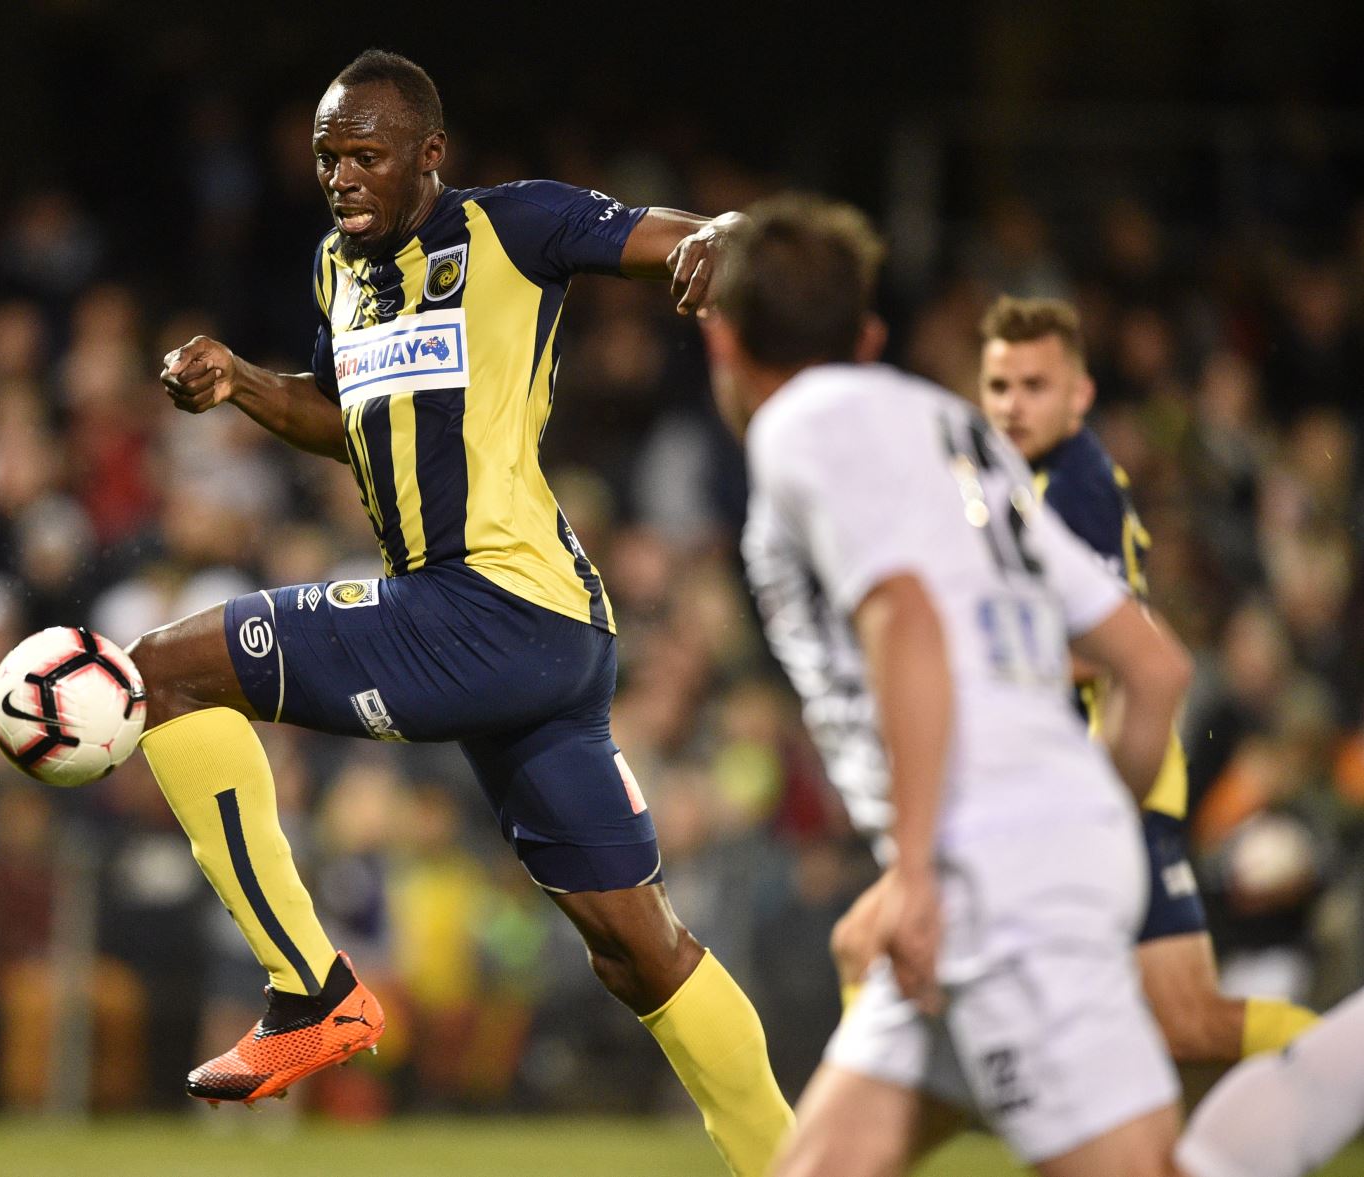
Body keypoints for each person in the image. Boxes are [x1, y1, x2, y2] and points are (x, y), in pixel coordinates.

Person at [121, 49, 793, 1173]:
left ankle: (309, 990)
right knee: (634, 945)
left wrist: (724, 231)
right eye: (329, 156)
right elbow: (347, 418)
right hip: (542, 632)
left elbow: (665, 232)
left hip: (494, 601)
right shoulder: (339, 270)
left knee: (159, 668)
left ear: (430, 155)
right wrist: (240, 382)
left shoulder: (513, 227)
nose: (342, 176)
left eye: (368, 155)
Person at [704, 191, 1364, 1177]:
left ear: (722, 341)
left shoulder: (803, 425)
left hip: (984, 878)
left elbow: (906, 621)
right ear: (869, 331)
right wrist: (1079, 821)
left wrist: (924, 867)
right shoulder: (948, 426)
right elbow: (1153, 661)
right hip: (1010, 853)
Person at [827, 295, 1320, 1065]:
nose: (1013, 406)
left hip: (1104, 762)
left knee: (873, 942)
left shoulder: (1075, 485)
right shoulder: (1017, 484)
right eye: (1000, 387)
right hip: (1065, 774)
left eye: (1035, 386)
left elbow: (1113, 647)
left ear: (1080, 394)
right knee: (1183, 1021)